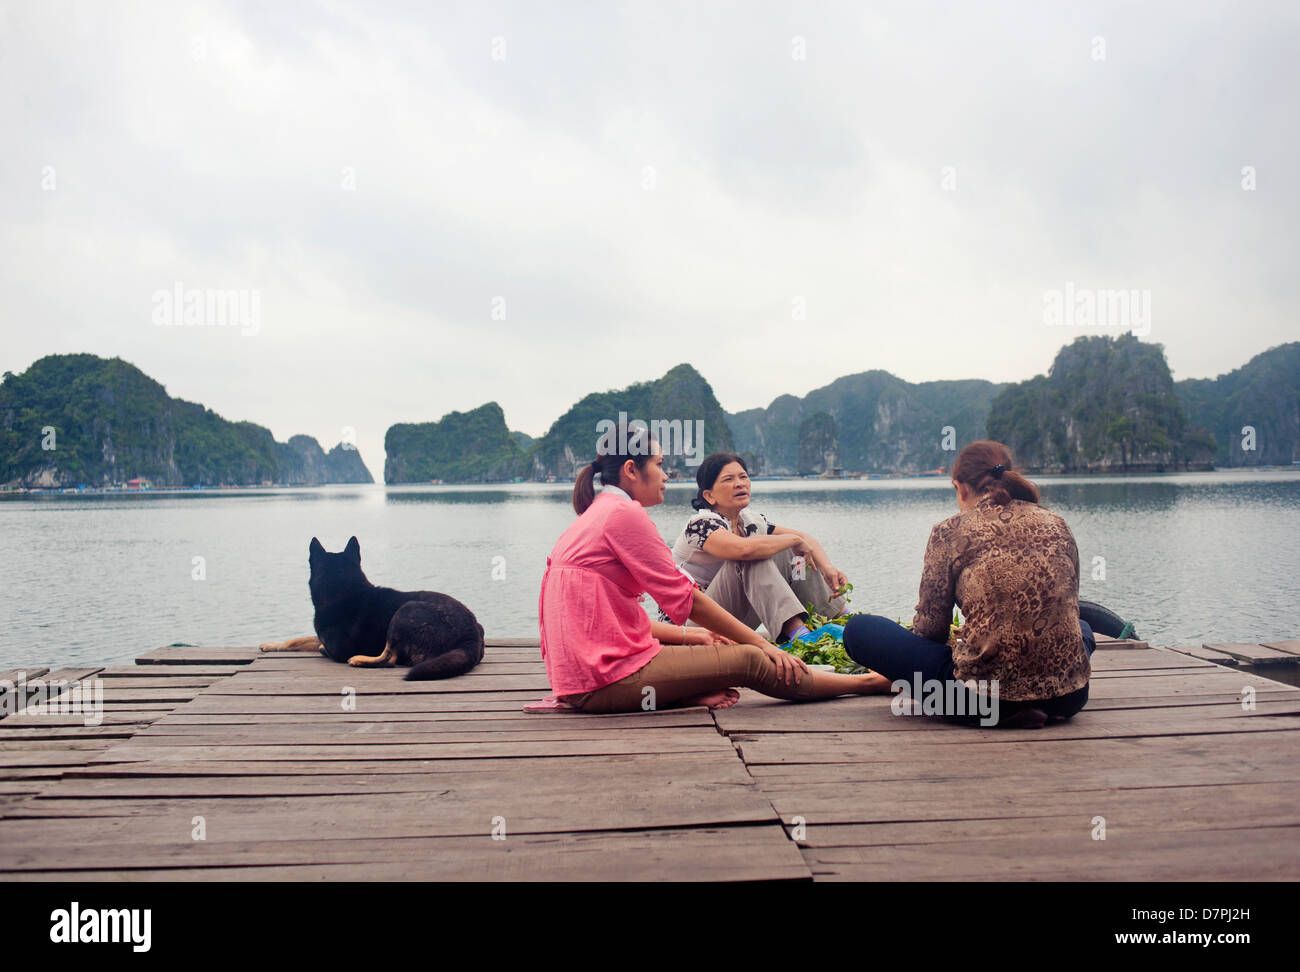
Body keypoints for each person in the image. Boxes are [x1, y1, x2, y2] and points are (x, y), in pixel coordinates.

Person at [538, 426, 892, 714]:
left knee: (725, 647)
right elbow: (689, 601)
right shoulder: (624, 514)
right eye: (659, 464)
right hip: (604, 678)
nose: (666, 475)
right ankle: (869, 683)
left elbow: (618, 621)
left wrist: (697, 637)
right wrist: (763, 645)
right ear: (632, 470)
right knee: (751, 659)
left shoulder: (597, 514)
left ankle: (684, 692)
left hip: (580, 677)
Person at [843, 440, 1095, 729]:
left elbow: (931, 630)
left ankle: (1008, 711)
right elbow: (1069, 606)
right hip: (1069, 697)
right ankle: (1036, 706)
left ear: (960, 487)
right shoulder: (1057, 522)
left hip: (977, 702)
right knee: (1084, 628)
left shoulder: (948, 531)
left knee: (858, 630)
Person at [666, 453, 849, 644]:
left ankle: (841, 619)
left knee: (792, 554)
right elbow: (744, 550)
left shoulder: (751, 521)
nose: (739, 484)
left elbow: (803, 539)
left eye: (743, 477)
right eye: (728, 479)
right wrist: (793, 540)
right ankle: (799, 635)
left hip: (730, 619)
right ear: (709, 495)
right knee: (753, 553)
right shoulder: (700, 524)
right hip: (690, 627)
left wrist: (827, 567)